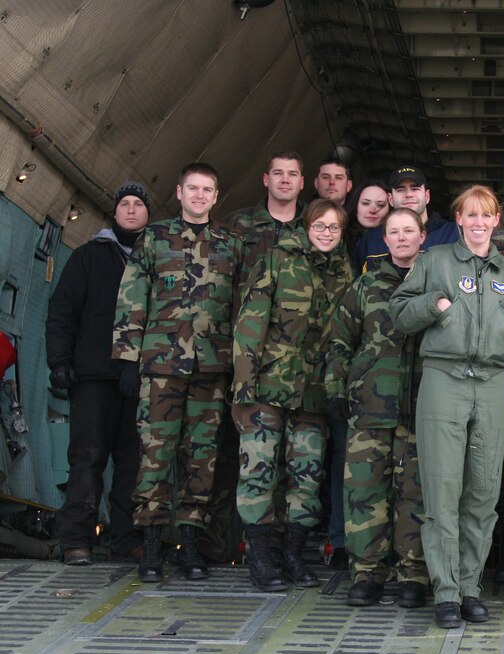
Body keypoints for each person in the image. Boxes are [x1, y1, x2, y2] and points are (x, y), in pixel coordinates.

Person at [391, 184, 504, 629]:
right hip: (444, 380)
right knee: (442, 490)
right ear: (459, 220)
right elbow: (399, 312)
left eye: (485, 215)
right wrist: (435, 304)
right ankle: (446, 591)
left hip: (490, 384)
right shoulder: (434, 261)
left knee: (484, 493)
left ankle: (470, 586)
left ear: (495, 221)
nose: (478, 223)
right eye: (469, 215)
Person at [112, 162, 244, 582]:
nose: (200, 196)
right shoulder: (153, 238)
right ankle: (150, 547)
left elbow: (244, 307)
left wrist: (241, 365)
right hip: (161, 367)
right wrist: (128, 361)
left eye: (207, 190)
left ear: (215, 196)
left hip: (212, 367)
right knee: (155, 456)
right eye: (193, 189)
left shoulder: (230, 243)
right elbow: (132, 297)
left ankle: (190, 545)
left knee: (200, 458)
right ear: (179, 191)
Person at [232, 199, 354, 590]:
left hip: (314, 390)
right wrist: (244, 383)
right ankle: (261, 558)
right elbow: (251, 321)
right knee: (260, 469)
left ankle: (292, 555)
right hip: (267, 385)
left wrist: (336, 387)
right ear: (306, 226)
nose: (326, 234)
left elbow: (342, 336)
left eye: (334, 228)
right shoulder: (278, 259)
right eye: (320, 226)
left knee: (306, 474)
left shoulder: (343, 270)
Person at [204, 151, 309, 565]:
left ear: (304, 183)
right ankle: (224, 546)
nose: (285, 181)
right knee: (236, 456)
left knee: (292, 460)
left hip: (292, 365)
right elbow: (218, 283)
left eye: (293, 175)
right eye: (278, 174)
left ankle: (283, 550)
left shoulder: (314, 228)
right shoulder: (237, 225)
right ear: (265, 179)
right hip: (240, 353)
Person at [326, 208, 428, 608]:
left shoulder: (434, 284)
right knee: (364, 492)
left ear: (423, 236)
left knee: (415, 494)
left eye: (409, 231)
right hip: (370, 407)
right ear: (384, 240)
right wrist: (336, 389)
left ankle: (414, 574)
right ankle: (367, 573)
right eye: (394, 233)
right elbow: (338, 341)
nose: (402, 238)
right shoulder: (365, 287)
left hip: (421, 407)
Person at [47, 181, 150, 564]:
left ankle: (128, 539)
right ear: (114, 211)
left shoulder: (156, 258)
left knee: (132, 461)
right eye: (124, 203)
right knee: (87, 457)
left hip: (139, 377)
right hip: (92, 375)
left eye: (138, 204)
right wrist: (59, 361)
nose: (130, 209)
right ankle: (76, 540)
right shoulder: (88, 256)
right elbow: (63, 310)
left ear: (148, 214)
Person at [352, 167, 459, 266]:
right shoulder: (371, 239)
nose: (408, 194)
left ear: (427, 196)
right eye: (400, 190)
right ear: (390, 199)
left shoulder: (453, 233)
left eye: (415, 189)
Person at [345, 180, 391, 272]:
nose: (373, 210)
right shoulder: (338, 238)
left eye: (380, 205)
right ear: (355, 206)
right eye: (366, 203)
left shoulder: (397, 241)